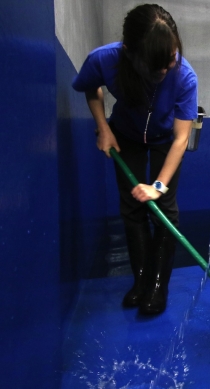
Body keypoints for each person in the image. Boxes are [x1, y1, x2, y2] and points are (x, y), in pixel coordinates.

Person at [72, 4, 198, 315]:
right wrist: (103, 128)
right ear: (130, 53)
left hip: (164, 141)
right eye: (156, 68)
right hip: (124, 135)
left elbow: (182, 138)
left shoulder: (185, 77)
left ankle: (158, 285)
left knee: (164, 209)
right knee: (131, 205)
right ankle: (140, 281)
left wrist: (158, 185)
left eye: (169, 61)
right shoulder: (105, 59)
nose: (164, 72)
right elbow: (90, 87)